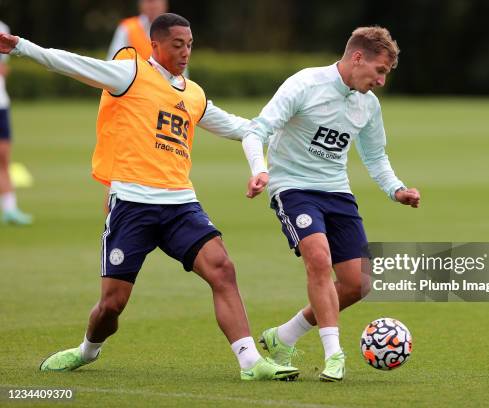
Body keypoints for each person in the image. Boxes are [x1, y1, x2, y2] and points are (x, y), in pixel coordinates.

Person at [0, 13, 299, 381]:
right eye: (178, 44)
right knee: (112, 305)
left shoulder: (193, 94)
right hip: (132, 206)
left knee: (222, 268)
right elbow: (74, 64)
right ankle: (87, 350)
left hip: (180, 205)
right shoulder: (130, 73)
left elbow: (246, 129)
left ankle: (250, 362)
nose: (186, 52)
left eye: (189, 44)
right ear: (154, 45)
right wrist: (22, 48)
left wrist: (260, 166)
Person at [241, 26, 421, 382]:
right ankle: (334, 355)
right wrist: (259, 170)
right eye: (380, 70)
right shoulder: (304, 85)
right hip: (292, 188)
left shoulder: (367, 104)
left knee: (357, 284)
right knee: (319, 259)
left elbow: (375, 156)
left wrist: (396, 189)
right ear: (357, 57)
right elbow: (256, 129)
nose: (382, 81)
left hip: (337, 193)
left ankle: (284, 336)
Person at [0, 20, 32, 225]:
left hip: (0, 103)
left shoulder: (3, 28)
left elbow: (3, 69)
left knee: (3, 157)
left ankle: (10, 209)